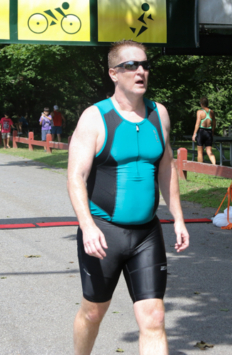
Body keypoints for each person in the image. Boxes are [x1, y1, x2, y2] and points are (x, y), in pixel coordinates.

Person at [67, 40, 189, 355]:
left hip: (147, 234)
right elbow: (75, 177)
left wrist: (177, 217)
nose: (141, 71)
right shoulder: (94, 118)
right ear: (113, 73)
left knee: (154, 316)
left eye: (145, 65)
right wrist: (87, 226)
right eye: (131, 65)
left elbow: (167, 169)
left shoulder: (158, 114)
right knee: (93, 312)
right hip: (103, 232)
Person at [192, 96, 216, 165]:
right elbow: (214, 123)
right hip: (209, 132)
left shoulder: (199, 112)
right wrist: (213, 131)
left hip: (201, 132)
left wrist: (194, 134)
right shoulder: (211, 112)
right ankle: (214, 165)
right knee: (209, 151)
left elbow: (197, 123)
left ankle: (200, 167)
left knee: (200, 152)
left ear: (201, 104)